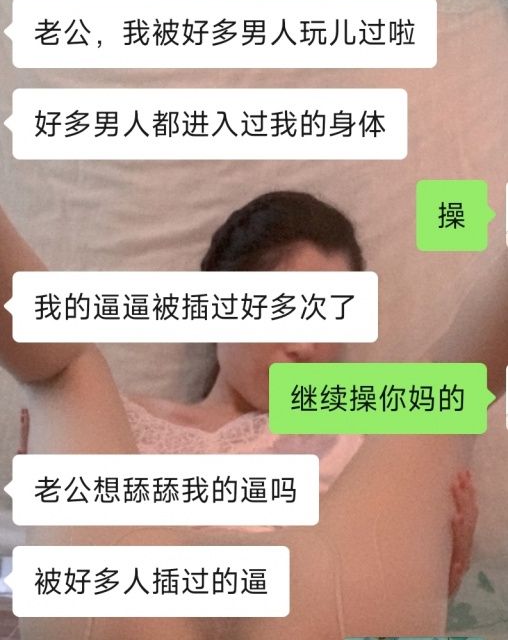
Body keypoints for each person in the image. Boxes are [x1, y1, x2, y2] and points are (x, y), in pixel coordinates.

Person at [1, 191, 504, 639]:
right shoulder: (114, 418)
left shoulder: (363, 435)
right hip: (134, 589)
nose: (306, 346)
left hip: (311, 596)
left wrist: (435, 553)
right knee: (68, 367)